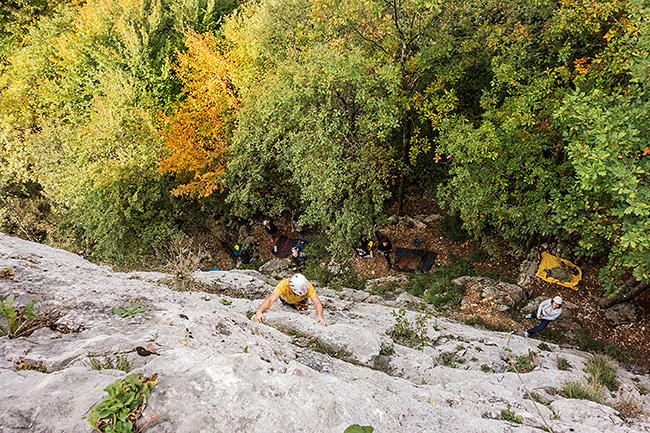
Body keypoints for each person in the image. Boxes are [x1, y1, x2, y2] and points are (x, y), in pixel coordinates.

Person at [254, 273, 326, 326]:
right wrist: (259, 311)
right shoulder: (283, 285)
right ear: (291, 288)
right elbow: (271, 299)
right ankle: (295, 304)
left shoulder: (307, 286)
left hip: (302, 300)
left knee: (303, 307)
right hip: (285, 299)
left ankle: (299, 303)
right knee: (288, 304)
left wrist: (320, 316)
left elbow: (317, 302)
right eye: (297, 294)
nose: (298, 295)